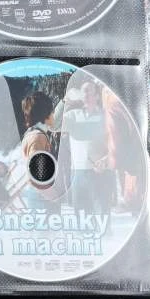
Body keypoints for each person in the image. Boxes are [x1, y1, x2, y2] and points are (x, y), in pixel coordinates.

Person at [62, 82, 109, 214]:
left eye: (89, 91)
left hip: (99, 171)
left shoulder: (105, 116)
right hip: (77, 172)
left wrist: (106, 159)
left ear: (97, 96)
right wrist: (64, 101)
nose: (86, 94)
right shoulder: (73, 116)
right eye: (83, 91)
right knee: (81, 215)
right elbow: (53, 124)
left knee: (101, 214)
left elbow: (115, 141)